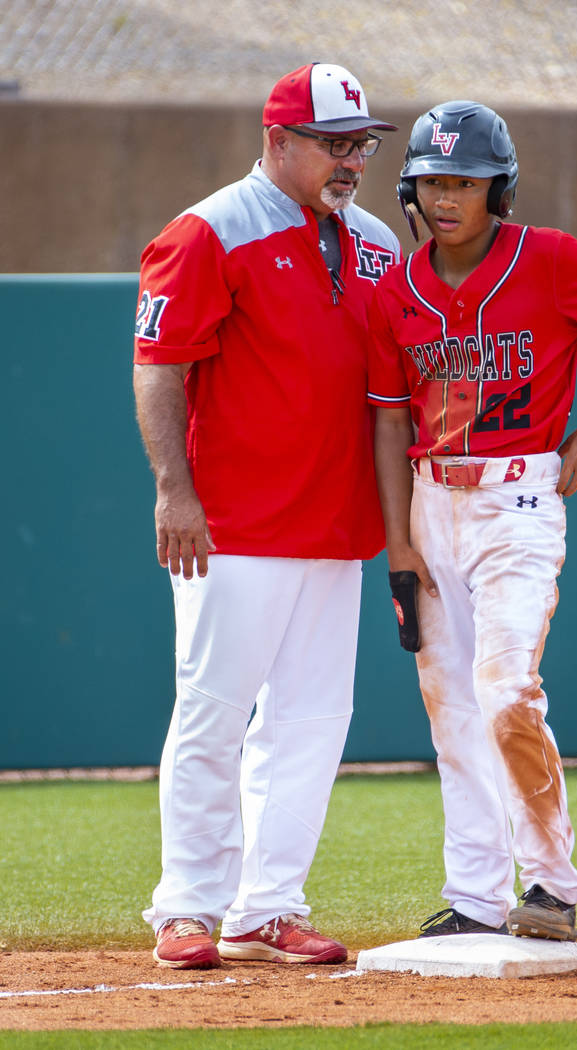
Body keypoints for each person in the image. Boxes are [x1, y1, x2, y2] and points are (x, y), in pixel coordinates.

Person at [368, 101, 577, 943]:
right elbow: (391, 421)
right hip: (431, 502)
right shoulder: (396, 289)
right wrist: (398, 540)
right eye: (430, 182)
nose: (444, 198)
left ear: (496, 189)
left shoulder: (547, 259)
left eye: (463, 182)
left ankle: (550, 886)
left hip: (518, 499)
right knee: (449, 709)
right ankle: (472, 895)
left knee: (504, 695)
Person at [132, 62, 400, 970]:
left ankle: (268, 905)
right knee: (211, 715)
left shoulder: (371, 240)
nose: (351, 160)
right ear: (276, 140)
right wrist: (175, 491)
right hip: (233, 525)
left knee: (312, 726)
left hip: (338, 525)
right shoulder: (209, 228)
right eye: (333, 143)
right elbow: (159, 364)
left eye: (360, 143)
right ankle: (188, 908)